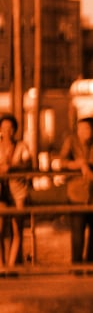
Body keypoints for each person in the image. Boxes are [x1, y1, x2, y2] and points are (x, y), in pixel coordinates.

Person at [58, 117, 93, 273]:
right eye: (80, 129)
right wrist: (79, 164)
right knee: (77, 232)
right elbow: (62, 161)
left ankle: (91, 266)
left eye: (87, 128)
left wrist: (88, 163)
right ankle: (76, 266)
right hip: (76, 194)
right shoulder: (71, 141)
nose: (83, 132)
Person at [0, 113, 32, 273]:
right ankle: (1, 265)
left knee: (17, 230)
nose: (7, 131)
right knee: (0, 230)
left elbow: (28, 164)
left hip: (18, 192)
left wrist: (12, 167)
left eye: (11, 128)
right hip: (1, 192)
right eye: (4, 128)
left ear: (15, 130)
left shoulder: (22, 146)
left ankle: (11, 267)